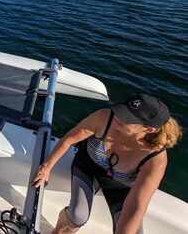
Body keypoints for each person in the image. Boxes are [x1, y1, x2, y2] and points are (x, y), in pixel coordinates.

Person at [33, 93, 183, 234]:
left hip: (121, 188)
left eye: (127, 118)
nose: (118, 116)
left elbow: (136, 206)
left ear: (149, 129)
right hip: (88, 167)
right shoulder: (104, 118)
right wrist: (47, 167)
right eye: (122, 110)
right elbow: (69, 139)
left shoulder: (155, 159)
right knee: (77, 216)